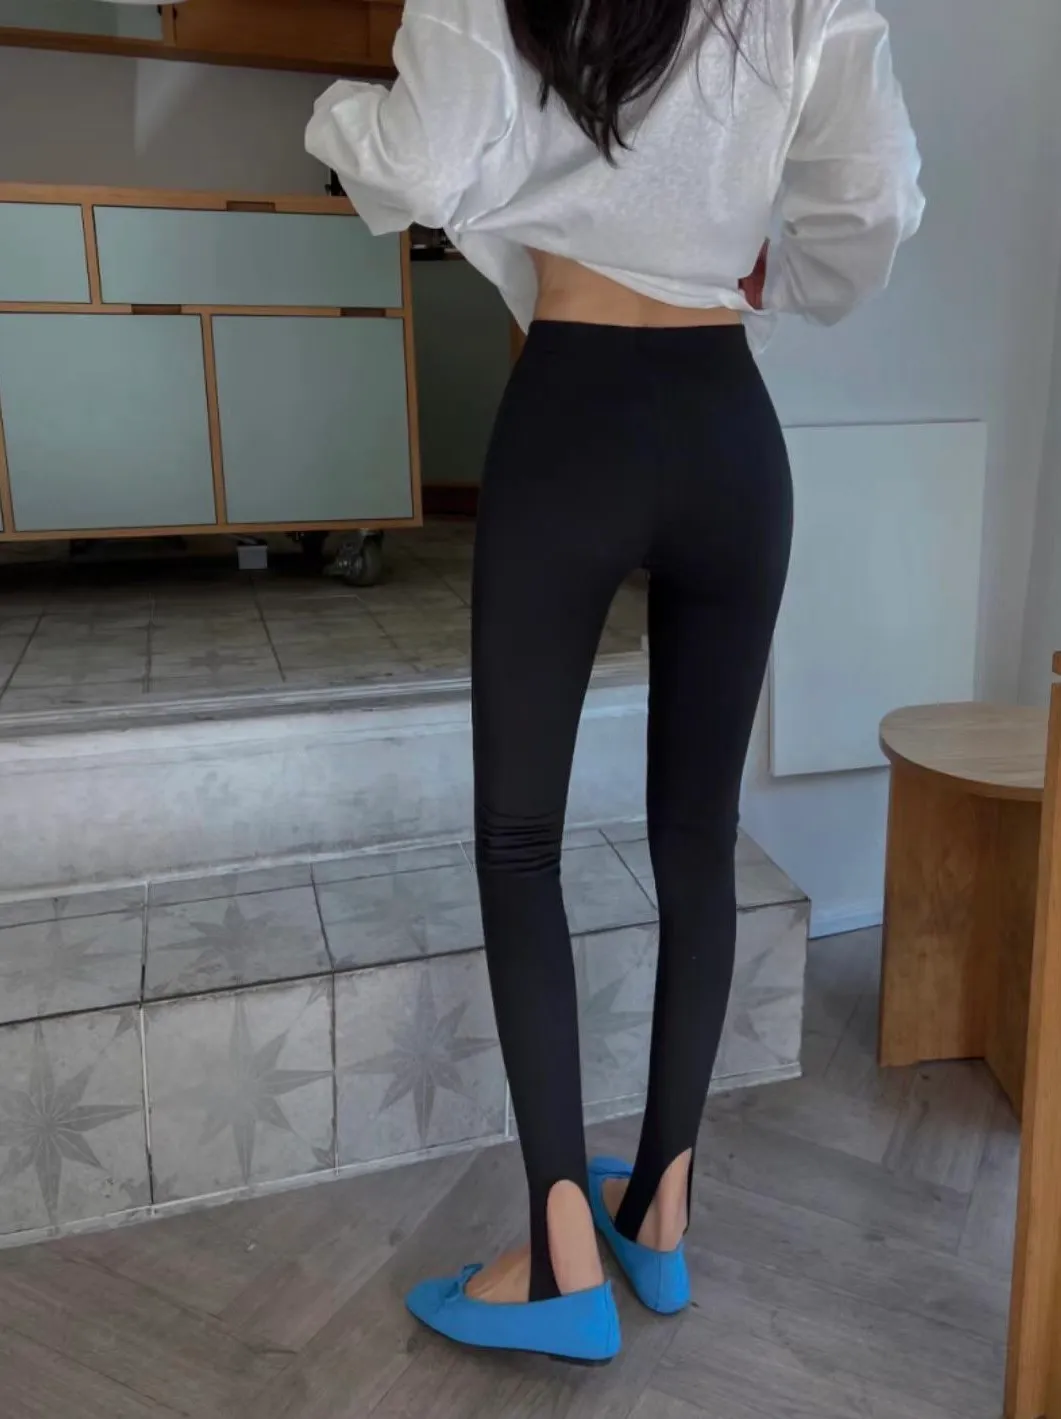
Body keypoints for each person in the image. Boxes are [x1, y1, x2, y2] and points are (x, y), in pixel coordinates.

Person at [306, 0, 923, 1365]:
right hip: (730, 430)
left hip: (573, 417)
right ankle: (661, 1206)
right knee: (698, 836)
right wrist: (781, 271)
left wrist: (331, 119)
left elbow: (417, 159)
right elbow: (876, 200)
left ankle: (560, 1254)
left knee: (521, 842)